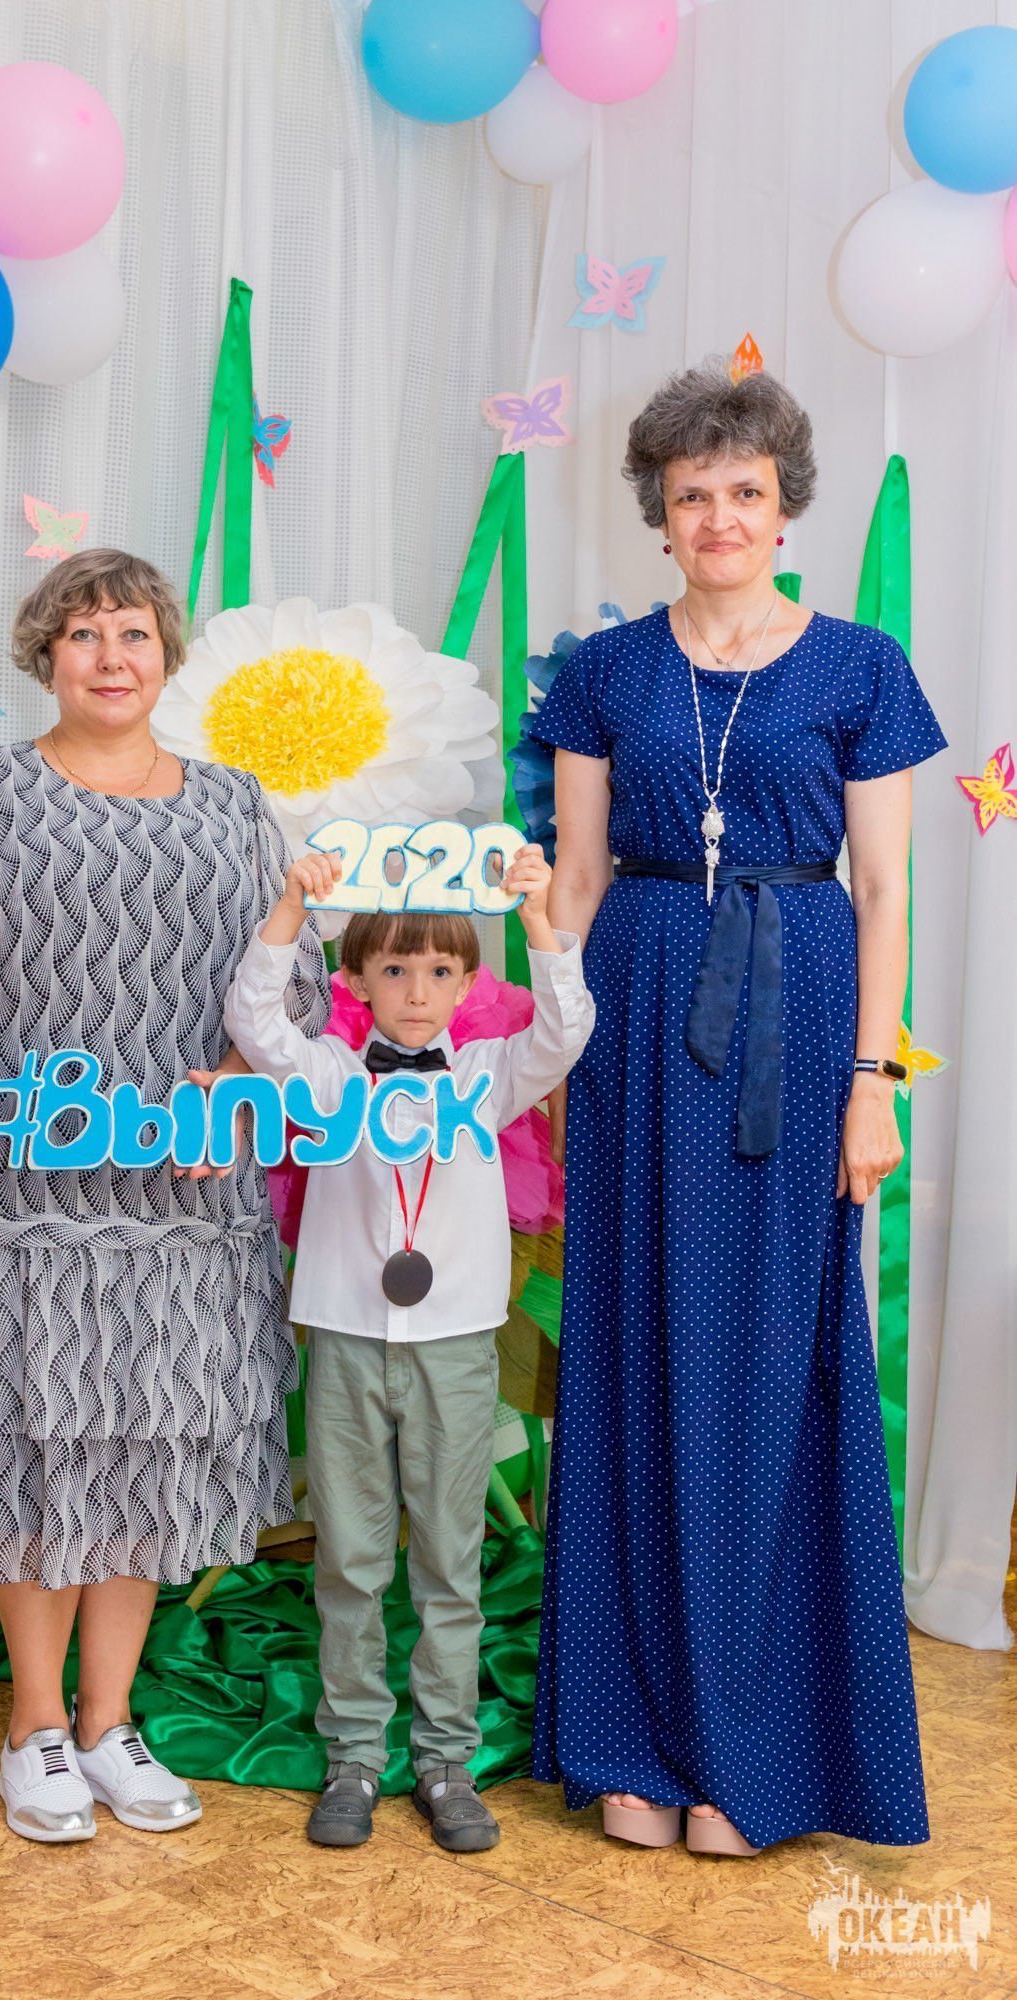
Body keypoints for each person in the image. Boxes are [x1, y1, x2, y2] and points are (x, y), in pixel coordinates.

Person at [0, 548, 329, 1844]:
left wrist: (242, 1080)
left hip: (182, 1199)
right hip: (23, 1195)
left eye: (132, 633)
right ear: (44, 657)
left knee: (144, 1451)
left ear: (165, 655)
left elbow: (294, 983)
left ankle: (110, 1721)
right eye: (83, 634)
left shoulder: (236, 806)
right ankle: (35, 1726)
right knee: (36, 1445)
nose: (110, 656)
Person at [530, 362, 945, 1855]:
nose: (718, 516)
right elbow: (578, 879)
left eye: (744, 491)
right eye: (691, 492)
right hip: (635, 1010)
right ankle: (628, 1735)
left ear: (785, 507)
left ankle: (755, 1749)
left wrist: (872, 1082)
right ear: (659, 512)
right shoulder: (602, 670)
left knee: (773, 1362)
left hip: (799, 1012)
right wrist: (549, 1055)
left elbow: (883, 889)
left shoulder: (859, 667)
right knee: (631, 1351)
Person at [224, 844, 594, 1852]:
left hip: (455, 1346)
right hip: (347, 1337)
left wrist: (538, 919)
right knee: (349, 1559)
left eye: (439, 971)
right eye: (394, 969)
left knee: (447, 1558)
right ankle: (352, 1754)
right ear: (355, 981)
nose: (418, 992)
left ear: (468, 984)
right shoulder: (327, 1073)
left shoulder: (489, 1076)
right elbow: (253, 1017)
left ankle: (444, 1761)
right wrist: (292, 904)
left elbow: (565, 1029)